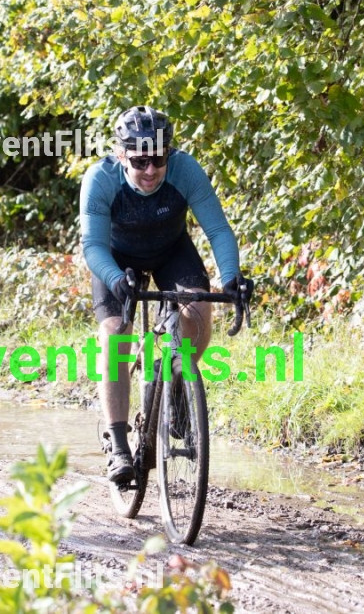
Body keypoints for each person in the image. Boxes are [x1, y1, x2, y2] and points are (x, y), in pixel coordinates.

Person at [79, 105, 253, 484]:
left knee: (199, 309)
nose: (150, 170)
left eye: (158, 159)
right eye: (139, 161)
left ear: (169, 153)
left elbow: (218, 230)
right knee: (116, 335)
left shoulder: (185, 170)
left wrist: (231, 278)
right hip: (115, 259)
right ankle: (118, 444)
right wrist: (114, 278)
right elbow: (92, 245)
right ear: (121, 155)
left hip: (171, 251)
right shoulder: (101, 179)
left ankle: (172, 379)